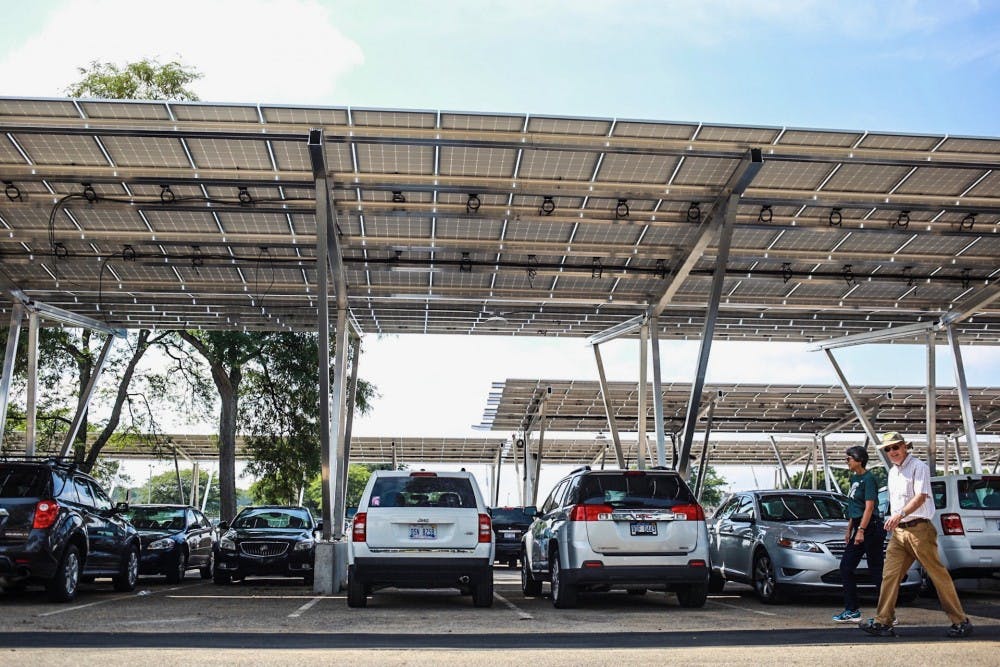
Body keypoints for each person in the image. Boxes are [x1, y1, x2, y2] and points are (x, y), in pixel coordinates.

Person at [859, 432, 973, 638]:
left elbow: (921, 497)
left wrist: (900, 514)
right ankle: (883, 621)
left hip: (920, 530)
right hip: (899, 532)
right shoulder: (893, 472)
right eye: (888, 449)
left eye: (895, 447)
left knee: (938, 575)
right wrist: (895, 518)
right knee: (890, 575)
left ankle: (961, 621)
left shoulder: (918, 467)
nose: (892, 452)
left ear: (905, 447)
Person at [832, 445, 883, 623]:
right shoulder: (854, 478)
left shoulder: (869, 479)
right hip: (859, 526)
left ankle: (887, 613)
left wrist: (861, 530)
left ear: (859, 460)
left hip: (871, 527)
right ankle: (852, 610)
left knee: (876, 570)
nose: (846, 462)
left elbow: (869, 507)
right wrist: (850, 529)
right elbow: (854, 507)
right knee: (846, 567)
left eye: (849, 459)